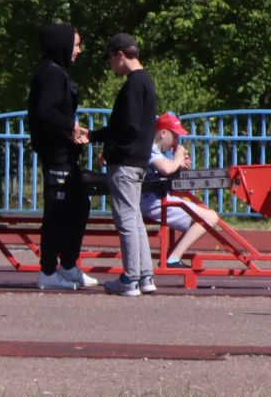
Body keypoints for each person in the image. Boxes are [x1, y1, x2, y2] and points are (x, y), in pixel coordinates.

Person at [27, 25, 97, 290]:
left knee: (80, 205)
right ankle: (47, 269)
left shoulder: (58, 73)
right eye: (76, 45)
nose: (78, 51)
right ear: (62, 44)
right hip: (57, 155)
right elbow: (46, 112)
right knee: (57, 211)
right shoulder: (51, 75)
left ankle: (67, 264)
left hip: (66, 153)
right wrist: (71, 128)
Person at [100, 33, 157, 296]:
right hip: (139, 160)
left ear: (120, 54)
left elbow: (127, 126)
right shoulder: (147, 81)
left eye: (111, 59)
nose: (111, 66)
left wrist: (110, 149)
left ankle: (130, 278)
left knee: (125, 219)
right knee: (135, 218)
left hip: (125, 161)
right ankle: (145, 275)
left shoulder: (134, 84)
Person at [143, 112, 224, 267]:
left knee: (205, 216)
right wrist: (177, 159)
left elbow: (166, 168)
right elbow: (166, 169)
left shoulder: (155, 150)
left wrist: (178, 164)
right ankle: (172, 259)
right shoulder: (151, 148)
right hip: (153, 202)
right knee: (210, 217)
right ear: (163, 133)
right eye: (175, 136)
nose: (177, 141)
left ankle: (172, 257)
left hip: (154, 200)